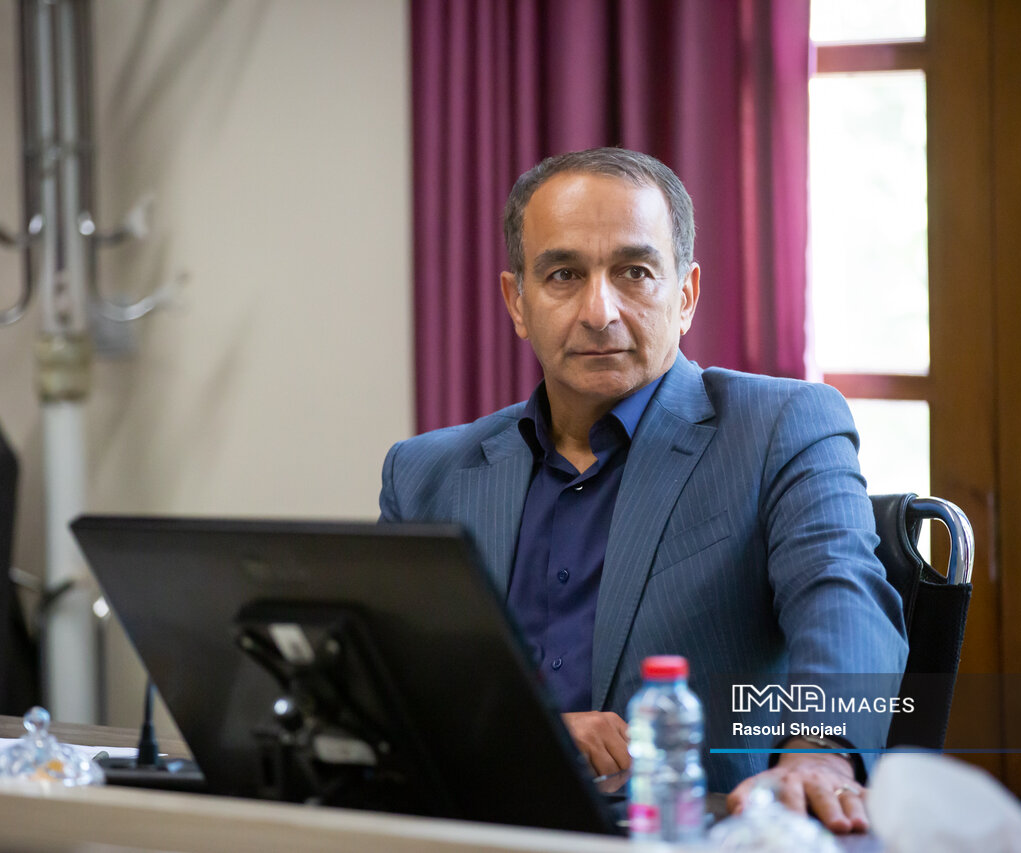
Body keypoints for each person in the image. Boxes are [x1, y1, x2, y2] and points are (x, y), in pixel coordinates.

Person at [379, 147, 907, 834]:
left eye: (634, 272)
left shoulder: (779, 426)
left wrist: (821, 754)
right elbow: (394, 691)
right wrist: (530, 735)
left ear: (684, 295)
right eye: (564, 275)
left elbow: (843, 598)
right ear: (517, 302)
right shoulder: (423, 473)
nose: (600, 311)